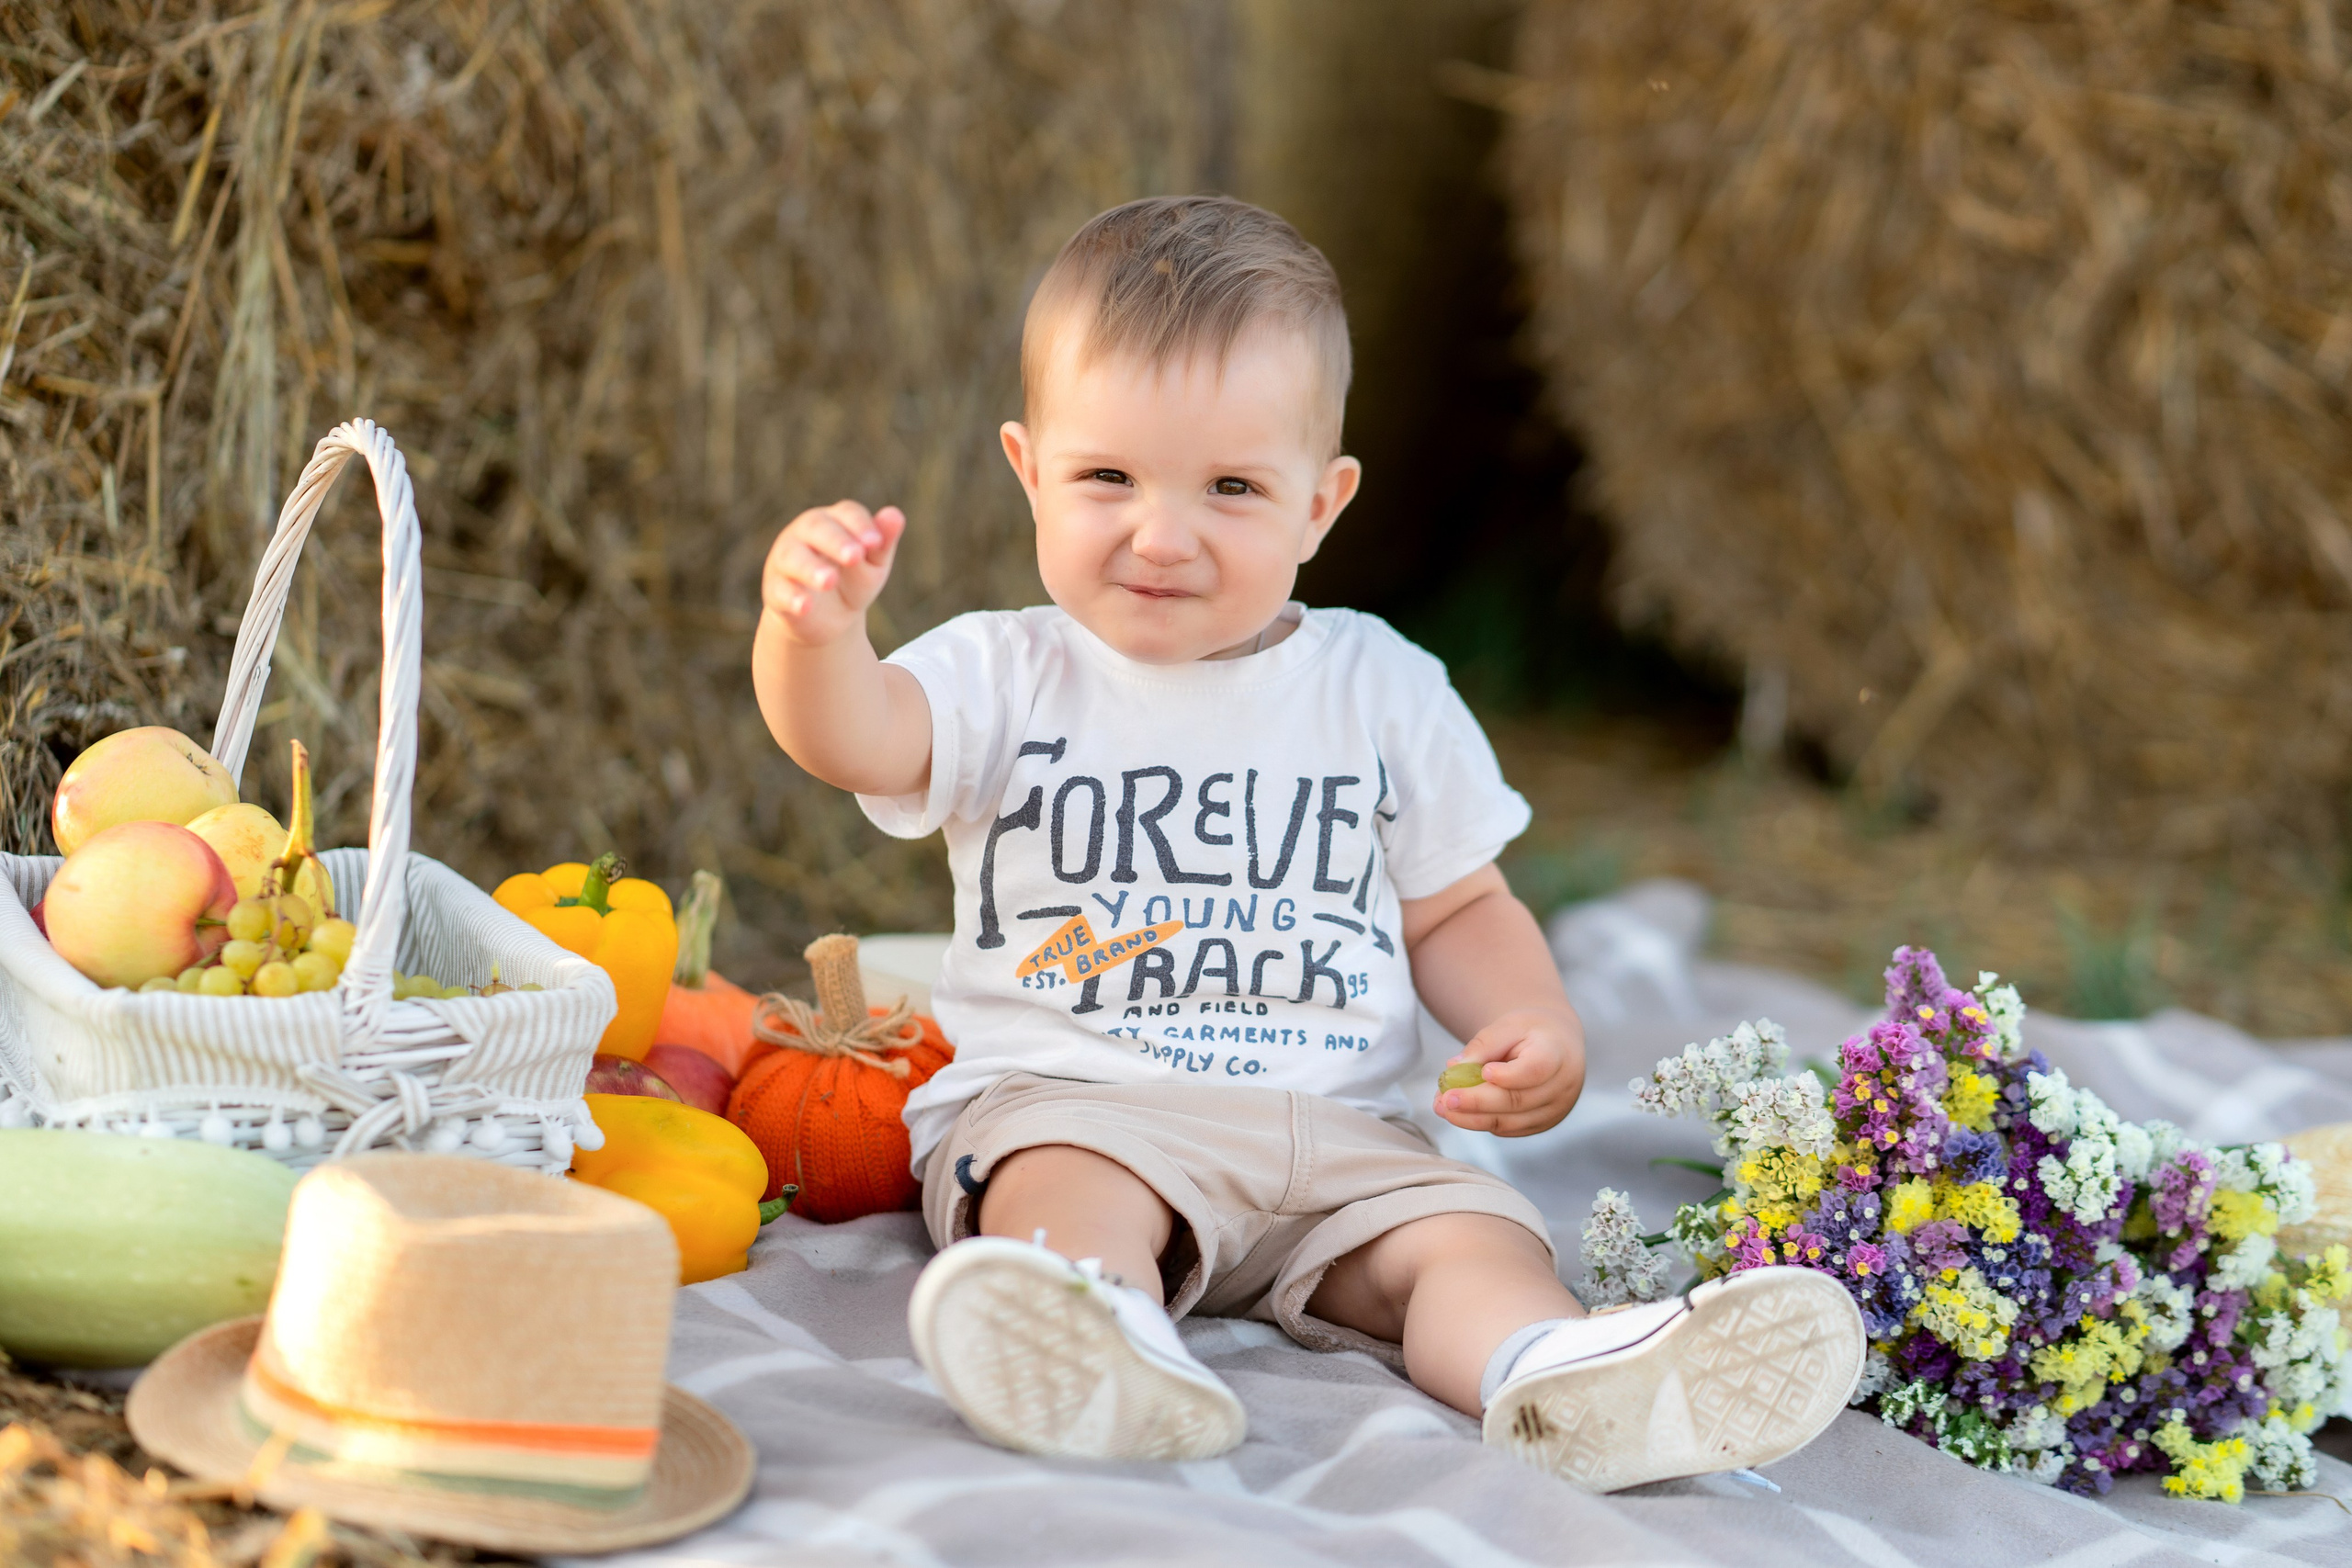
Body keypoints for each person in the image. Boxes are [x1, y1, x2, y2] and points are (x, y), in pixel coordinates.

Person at [752, 195, 1861, 1489]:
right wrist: (815, 636)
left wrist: (1532, 1020)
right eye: (1108, 478)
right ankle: (1094, 1340)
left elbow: (1458, 908)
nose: (1162, 535)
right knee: (1061, 1196)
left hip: (1347, 1136)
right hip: (1090, 1103)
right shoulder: (1004, 672)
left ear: (1321, 506)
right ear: (1028, 469)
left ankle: (1555, 1377)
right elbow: (857, 738)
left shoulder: (1383, 688)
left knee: (1468, 1240)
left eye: (1232, 489)